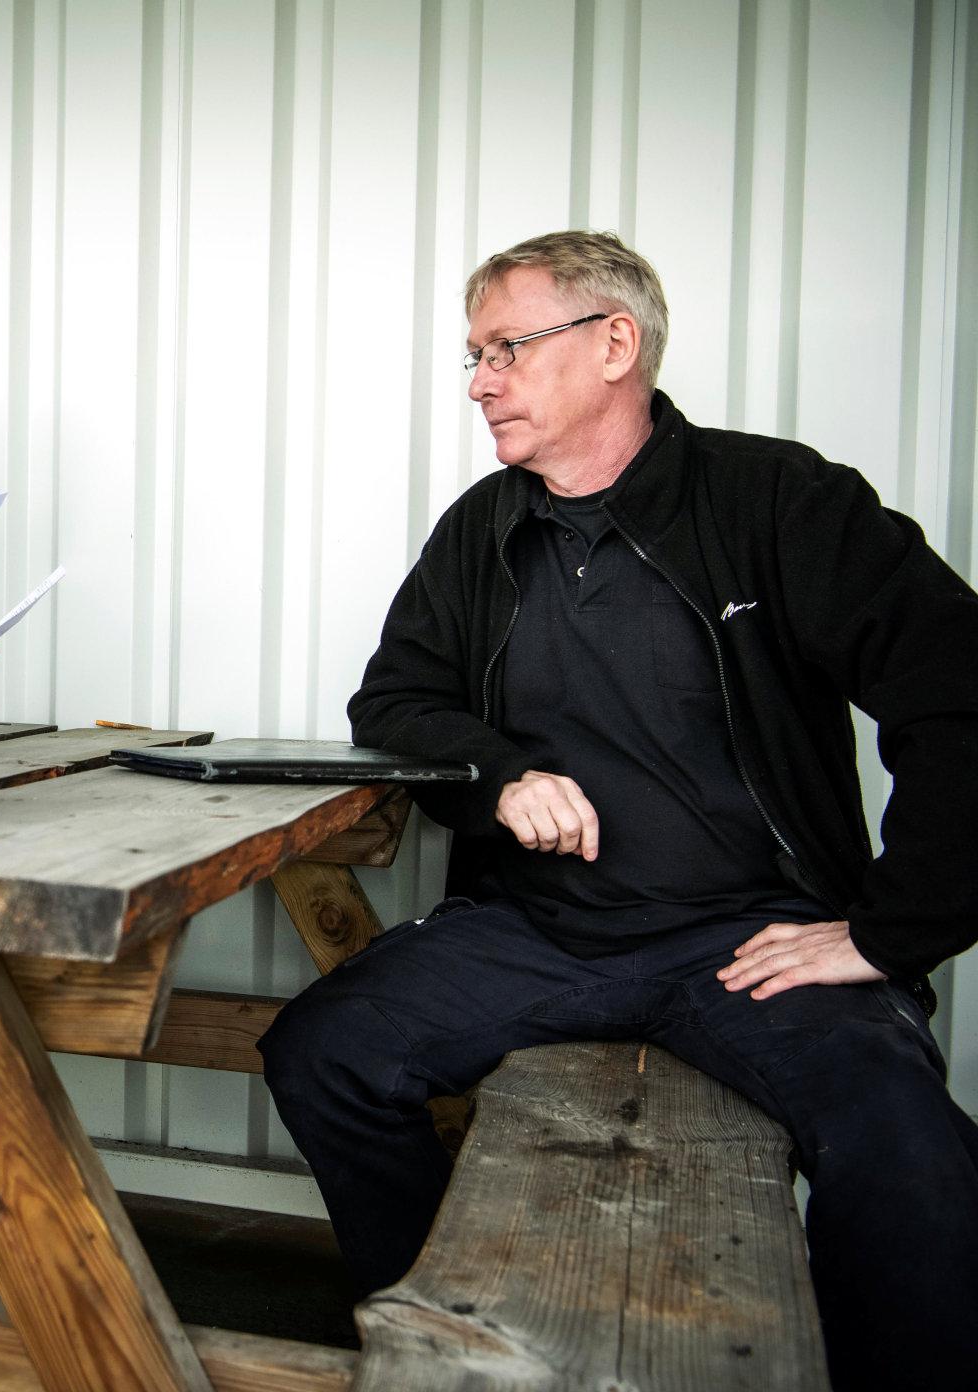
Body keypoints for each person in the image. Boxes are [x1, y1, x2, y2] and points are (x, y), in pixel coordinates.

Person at [259, 230, 978, 1390]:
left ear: (614, 345)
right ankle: (446, 1346)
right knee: (321, 1054)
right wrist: (500, 777)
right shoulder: (482, 532)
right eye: (473, 355)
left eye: (507, 346)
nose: (481, 379)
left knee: (911, 1156)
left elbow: (958, 691)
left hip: (749, 939)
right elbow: (394, 701)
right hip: (544, 932)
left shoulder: (779, 501)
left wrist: (891, 931)